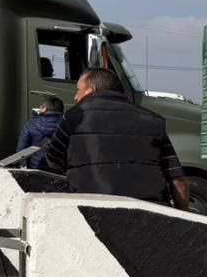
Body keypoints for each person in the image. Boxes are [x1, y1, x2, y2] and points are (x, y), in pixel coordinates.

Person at [45, 68, 190, 210]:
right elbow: (177, 179)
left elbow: (53, 162)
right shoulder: (153, 120)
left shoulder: (73, 118)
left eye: (78, 90)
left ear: (91, 89)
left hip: (91, 211)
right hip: (150, 213)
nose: (75, 97)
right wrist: (184, 216)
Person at [16, 96, 64, 170]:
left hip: (36, 168)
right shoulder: (66, 125)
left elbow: (21, 149)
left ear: (44, 108)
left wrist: (23, 167)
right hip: (58, 170)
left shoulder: (31, 124)